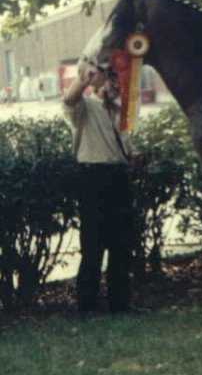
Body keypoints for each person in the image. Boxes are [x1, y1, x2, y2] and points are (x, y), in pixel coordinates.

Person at [63, 59, 135, 316]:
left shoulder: (118, 112)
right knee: (93, 244)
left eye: (117, 80)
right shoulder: (87, 106)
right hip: (93, 178)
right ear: (98, 81)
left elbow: (124, 147)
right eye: (109, 78)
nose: (114, 84)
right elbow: (70, 99)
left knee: (121, 244)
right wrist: (84, 77)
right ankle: (87, 305)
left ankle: (120, 303)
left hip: (118, 177)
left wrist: (133, 156)